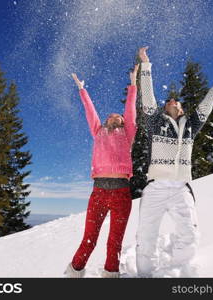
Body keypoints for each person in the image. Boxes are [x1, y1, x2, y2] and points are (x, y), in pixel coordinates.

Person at [135, 46, 213, 277]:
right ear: (164, 108)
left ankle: (178, 271)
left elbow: (206, 106)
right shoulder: (154, 122)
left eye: (177, 101)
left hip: (181, 187)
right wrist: (145, 64)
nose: (173, 100)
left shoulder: (190, 125)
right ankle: (144, 276)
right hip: (156, 187)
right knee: (146, 236)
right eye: (169, 100)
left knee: (190, 235)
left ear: (180, 108)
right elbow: (147, 97)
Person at [64, 64, 139, 278]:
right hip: (98, 193)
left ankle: (111, 274)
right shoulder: (98, 131)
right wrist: (81, 89)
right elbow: (90, 111)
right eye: (114, 116)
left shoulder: (127, 134)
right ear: (106, 121)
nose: (118, 117)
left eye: (121, 118)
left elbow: (130, 111)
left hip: (121, 193)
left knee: (114, 241)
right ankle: (74, 272)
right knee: (89, 238)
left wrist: (133, 84)